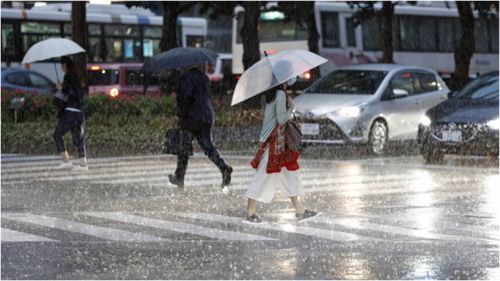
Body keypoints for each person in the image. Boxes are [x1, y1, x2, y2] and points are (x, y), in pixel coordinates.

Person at [244, 77, 317, 223]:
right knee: (263, 175)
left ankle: (300, 209)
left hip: (279, 142)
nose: (292, 79)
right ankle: (250, 211)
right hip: (273, 142)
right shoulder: (280, 95)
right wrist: (291, 108)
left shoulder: (274, 94)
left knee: (290, 174)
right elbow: (282, 119)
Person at [168, 64, 233, 191]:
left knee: (184, 147)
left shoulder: (186, 77)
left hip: (192, 117)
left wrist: (179, 115)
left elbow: (184, 98)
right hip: (207, 115)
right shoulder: (204, 78)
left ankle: (179, 177)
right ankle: (223, 167)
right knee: (207, 146)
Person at [53, 56, 88, 171]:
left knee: (57, 134)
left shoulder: (68, 76)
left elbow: (67, 92)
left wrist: (60, 87)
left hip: (71, 111)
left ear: (65, 65)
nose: (62, 68)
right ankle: (83, 164)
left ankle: (66, 160)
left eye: (62, 66)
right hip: (79, 112)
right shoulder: (77, 76)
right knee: (78, 137)